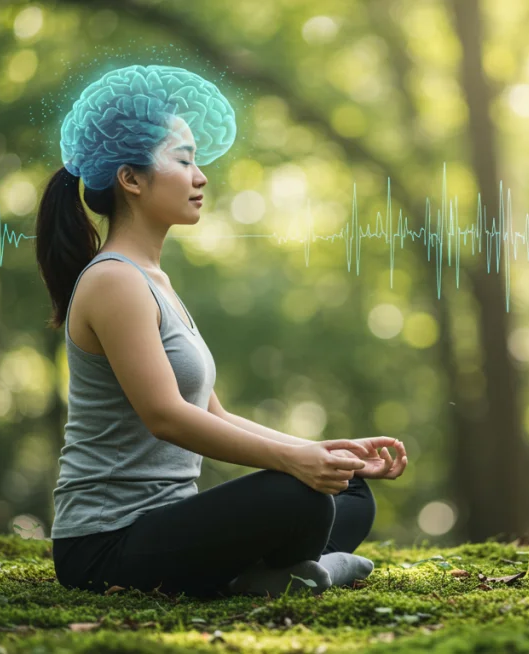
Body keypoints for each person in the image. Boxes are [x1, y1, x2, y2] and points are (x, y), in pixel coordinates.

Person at [34, 65, 408, 599]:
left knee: (349, 491)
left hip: (169, 527)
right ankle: (281, 570)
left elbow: (214, 414)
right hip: (105, 545)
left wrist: (319, 451)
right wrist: (293, 464)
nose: (201, 175)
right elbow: (166, 417)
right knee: (297, 498)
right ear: (131, 179)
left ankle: (267, 571)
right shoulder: (114, 281)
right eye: (183, 161)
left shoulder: (154, 281)